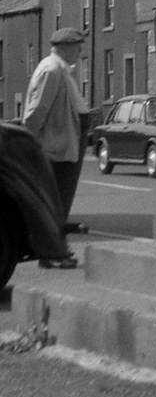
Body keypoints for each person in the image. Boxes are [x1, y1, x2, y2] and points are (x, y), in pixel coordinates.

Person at [21, 27, 96, 267]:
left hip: (64, 146)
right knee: (54, 204)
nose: (80, 50)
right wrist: (30, 146)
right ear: (64, 47)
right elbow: (36, 112)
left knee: (60, 203)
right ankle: (52, 254)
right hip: (55, 149)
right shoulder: (52, 70)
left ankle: (55, 251)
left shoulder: (60, 70)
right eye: (77, 46)